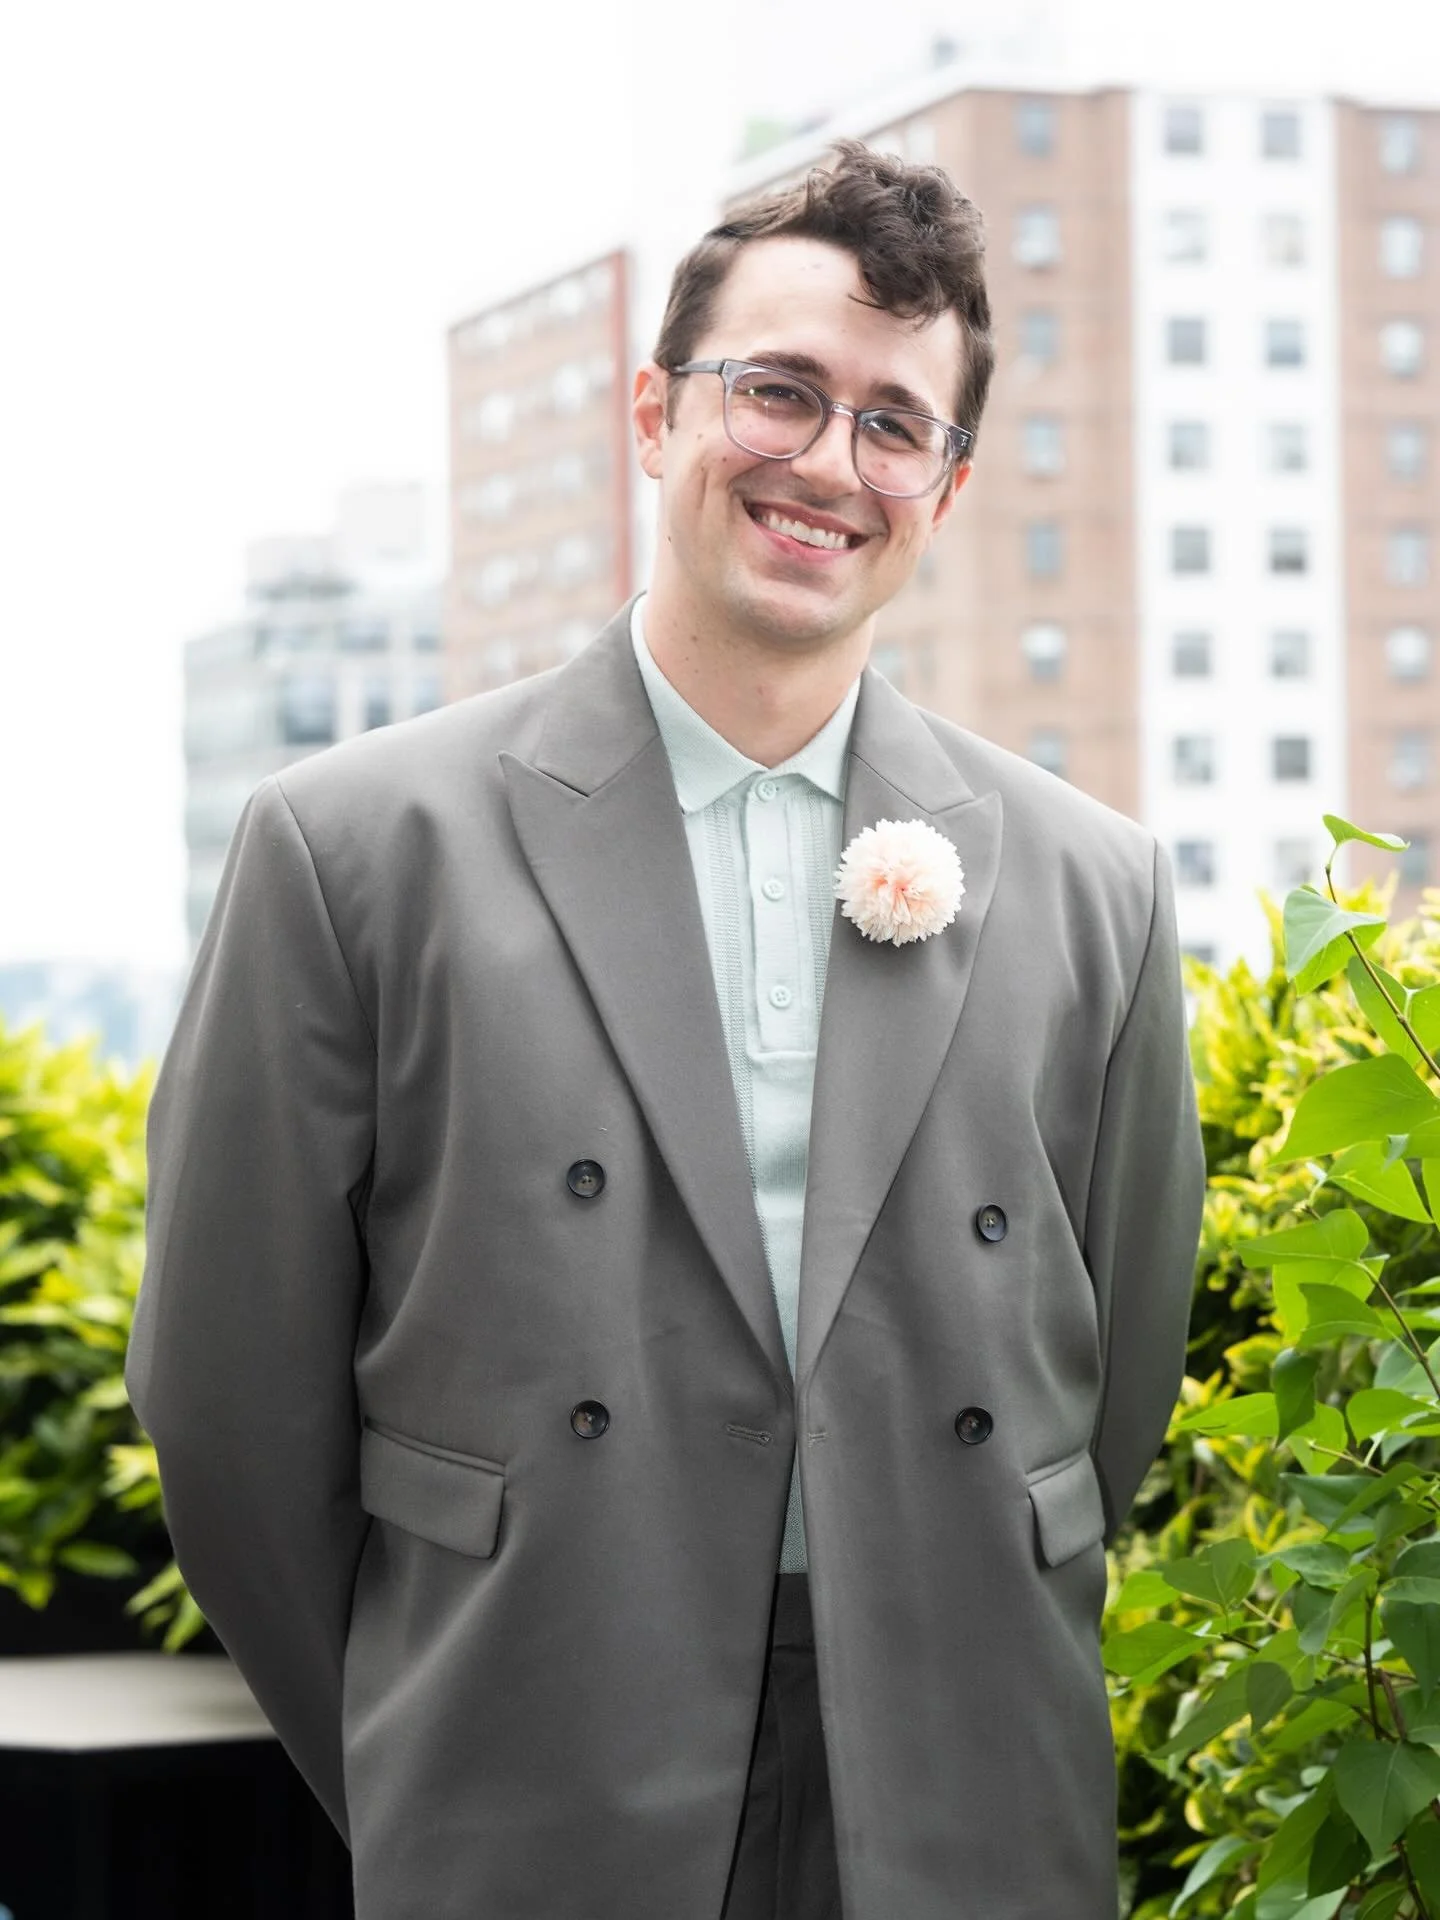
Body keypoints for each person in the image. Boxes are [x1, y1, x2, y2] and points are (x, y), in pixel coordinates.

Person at [126, 140, 1206, 1920]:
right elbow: (229, 1406)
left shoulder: (1101, 886)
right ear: (653, 412)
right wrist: (419, 1746)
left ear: (943, 481)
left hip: (961, 1768)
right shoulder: (352, 850)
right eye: (777, 390)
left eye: (893, 423)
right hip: (533, 1753)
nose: (827, 464)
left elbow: (1118, 1392)